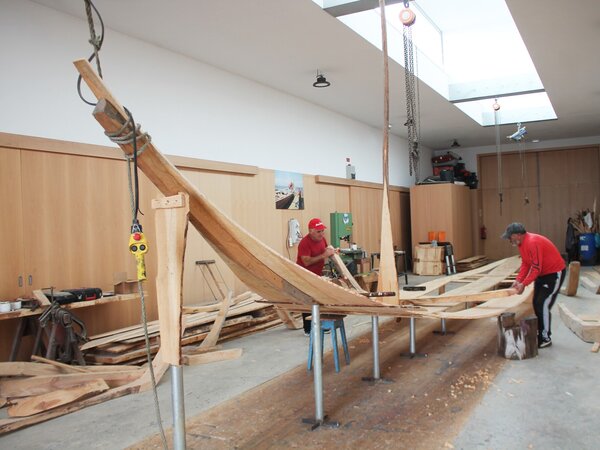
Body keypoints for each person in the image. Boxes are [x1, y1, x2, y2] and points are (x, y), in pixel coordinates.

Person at [501, 222, 566, 348]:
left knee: (543, 304)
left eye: (510, 237)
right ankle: (541, 333)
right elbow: (526, 264)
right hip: (542, 274)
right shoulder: (521, 244)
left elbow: (536, 267)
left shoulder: (532, 242)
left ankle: (545, 338)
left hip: (554, 274)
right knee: (536, 303)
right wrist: (518, 280)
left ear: (518, 235)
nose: (509, 239)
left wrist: (524, 284)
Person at [296, 218, 336, 335]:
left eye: (322, 231)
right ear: (311, 231)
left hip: (316, 275)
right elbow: (306, 262)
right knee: (307, 302)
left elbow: (326, 250)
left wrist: (333, 253)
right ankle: (308, 329)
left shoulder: (322, 239)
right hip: (304, 275)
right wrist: (324, 255)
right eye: (318, 231)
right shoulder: (304, 243)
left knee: (320, 299)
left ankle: (323, 325)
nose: (321, 234)